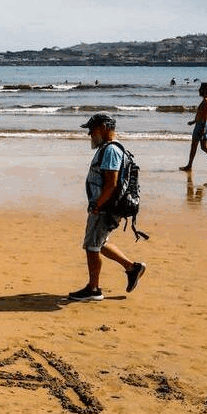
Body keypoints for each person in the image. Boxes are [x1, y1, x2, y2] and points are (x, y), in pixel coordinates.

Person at [69, 113, 146, 302]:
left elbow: (111, 183)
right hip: (107, 206)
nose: (89, 134)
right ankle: (132, 268)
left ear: (103, 127)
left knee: (92, 246)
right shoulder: (110, 148)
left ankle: (94, 289)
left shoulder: (111, 150)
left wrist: (98, 204)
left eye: (92, 129)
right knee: (100, 243)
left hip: (104, 207)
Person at [180, 82, 207, 172]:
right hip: (205, 124)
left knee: (194, 146)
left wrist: (202, 128)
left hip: (201, 125)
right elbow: (202, 114)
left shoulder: (206, 101)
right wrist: (194, 121)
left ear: (204, 90)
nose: (199, 90)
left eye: (200, 89)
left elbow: (205, 115)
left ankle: (189, 166)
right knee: (203, 147)